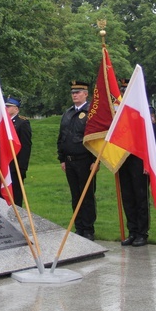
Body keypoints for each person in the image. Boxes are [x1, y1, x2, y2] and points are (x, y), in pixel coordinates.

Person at [57, 80, 96, 240]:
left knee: (86, 195)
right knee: (75, 195)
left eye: (78, 92)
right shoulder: (67, 113)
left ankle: (88, 229)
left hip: (85, 160)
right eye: (73, 92)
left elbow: (95, 139)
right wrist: (62, 158)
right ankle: (79, 227)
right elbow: (62, 137)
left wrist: (95, 160)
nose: (74, 95)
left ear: (86, 94)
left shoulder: (90, 112)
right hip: (70, 160)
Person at [118, 79, 152, 247]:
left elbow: (151, 140)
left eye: (127, 90)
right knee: (128, 197)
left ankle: (142, 232)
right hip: (123, 159)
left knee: (140, 197)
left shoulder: (144, 110)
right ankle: (132, 230)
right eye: (123, 90)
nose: (124, 93)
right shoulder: (119, 110)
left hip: (139, 159)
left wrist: (148, 162)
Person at [0, 96, 32, 207]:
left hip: (14, 166)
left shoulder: (22, 123)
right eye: (5, 106)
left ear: (16, 108)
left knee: (15, 197)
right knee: (0, 197)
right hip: (1, 165)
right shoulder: (0, 123)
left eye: (9, 106)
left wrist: (21, 168)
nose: (6, 108)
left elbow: (26, 146)